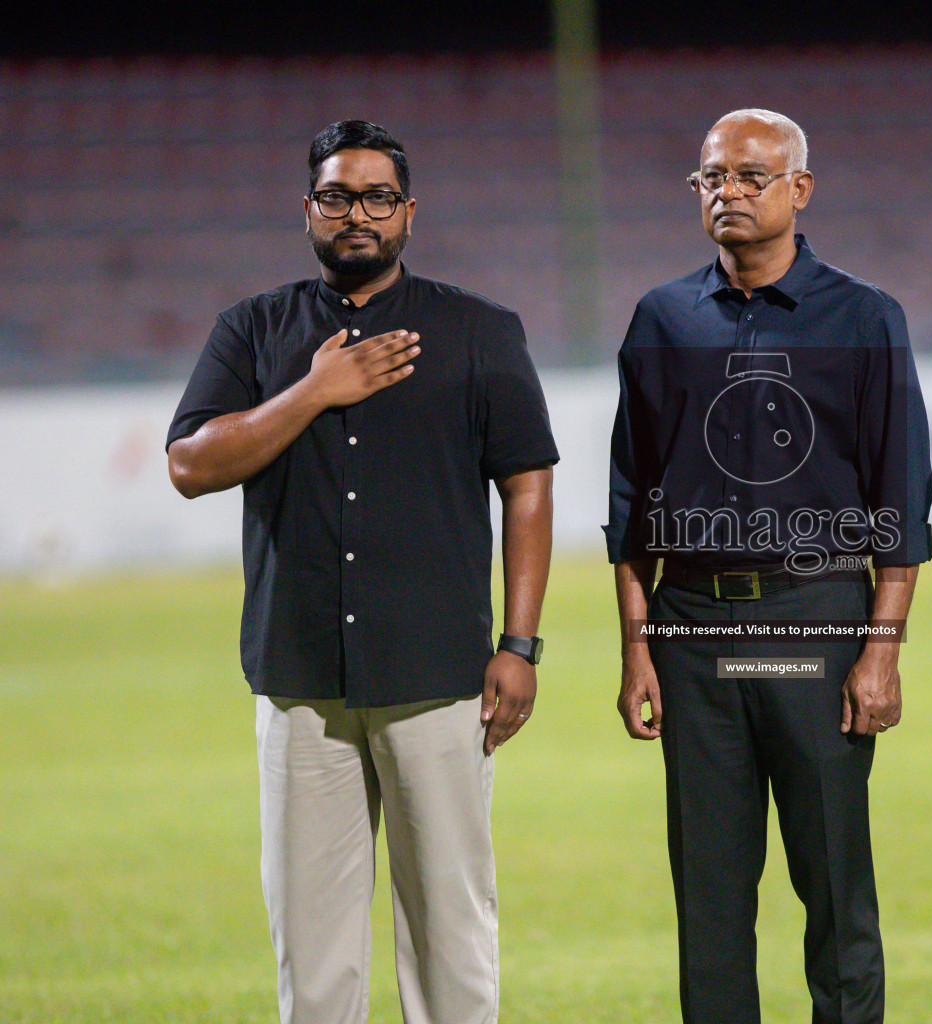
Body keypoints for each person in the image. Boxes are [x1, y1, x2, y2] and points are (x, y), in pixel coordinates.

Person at [166, 120, 558, 1024]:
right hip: (300, 679)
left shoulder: (479, 330)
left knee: (452, 938)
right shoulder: (255, 329)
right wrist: (312, 391)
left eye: (377, 197)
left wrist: (521, 643)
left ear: (409, 213)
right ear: (308, 209)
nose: (357, 215)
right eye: (337, 196)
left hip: (440, 679)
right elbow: (191, 465)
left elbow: (528, 489)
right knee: (313, 953)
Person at [605, 108, 932, 1024]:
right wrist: (638, 651)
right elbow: (629, 509)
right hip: (693, 633)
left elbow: (899, 504)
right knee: (709, 899)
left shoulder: (864, 317)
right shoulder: (662, 318)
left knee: (833, 884)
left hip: (815, 623)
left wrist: (881, 651)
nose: (728, 193)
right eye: (712, 177)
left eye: (751, 176)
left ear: (800, 188)